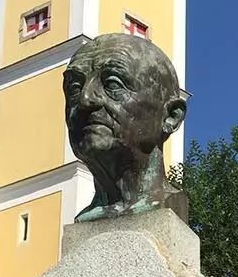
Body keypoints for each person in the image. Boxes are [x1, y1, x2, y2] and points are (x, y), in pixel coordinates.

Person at [62, 34, 187, 222]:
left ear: (171, 117)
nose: (85, 99)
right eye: (74, 88)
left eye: (113, 84)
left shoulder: (170, 207)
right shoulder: (84, 219)